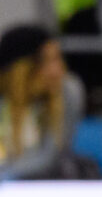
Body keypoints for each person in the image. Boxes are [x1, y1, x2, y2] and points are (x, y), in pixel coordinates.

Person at [0, 24, 85, 180]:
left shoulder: (67, 91)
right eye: (47, 61)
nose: (57, 70)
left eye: (58, 58)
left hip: (46, 189)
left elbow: (49, 159)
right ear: (21, 70)